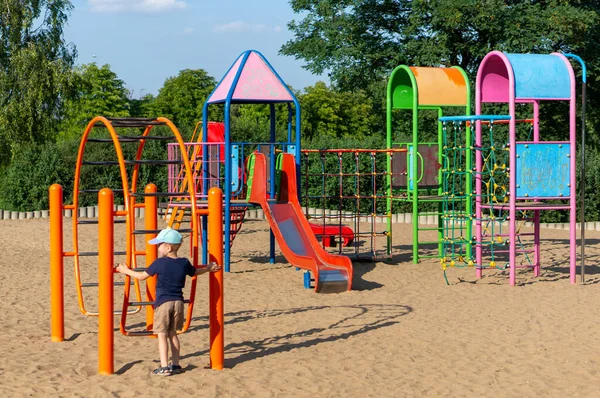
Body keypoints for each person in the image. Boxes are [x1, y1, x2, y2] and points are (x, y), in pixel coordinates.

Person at [115, 227, 220, 376]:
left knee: (162, 335)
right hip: (178, 303)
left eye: (160, 244)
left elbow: (141, 276)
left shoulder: (160, 263)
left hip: (164, 303)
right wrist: (208, 268)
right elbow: (195, 271)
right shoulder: (184, 262)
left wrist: (125, 271)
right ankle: (176, 365)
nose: (158, 247)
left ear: (168, 247)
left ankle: (164, 367)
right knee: (173, 334)